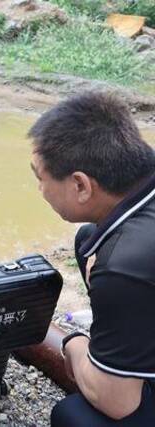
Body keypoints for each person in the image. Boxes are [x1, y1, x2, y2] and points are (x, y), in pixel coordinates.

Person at [28, 92, 155, 426]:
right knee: (89, 239)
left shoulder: (123, 263)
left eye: (40, 179)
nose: (40, 190)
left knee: (73, 416)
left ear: (81, 185)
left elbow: (116, 402)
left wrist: (75, 343)